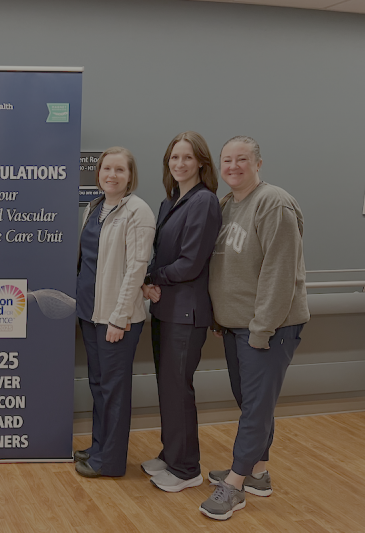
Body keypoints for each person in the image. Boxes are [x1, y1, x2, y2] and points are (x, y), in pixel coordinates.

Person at [199, 136, 309, 520]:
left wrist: (262, 329)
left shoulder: (273, 203)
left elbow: (279, 273)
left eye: (242, 159)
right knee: (251, 403)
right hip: (235, 326)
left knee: (255, 409)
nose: (233, 166)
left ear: (258, 163)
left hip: (268, 328)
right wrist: (220, 317)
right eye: (227, 160)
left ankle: (234, 485)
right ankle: (258, 473)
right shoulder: (226, 205)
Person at [142, 132, 222, 492]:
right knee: (167, 387)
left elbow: (190, 264)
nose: (180, 163)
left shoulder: (204, 201)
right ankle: (171, 454)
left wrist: (152, 277)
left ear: (201, 163)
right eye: (174, 157)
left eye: (187, 157)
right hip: (165, 309)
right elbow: (161, 254)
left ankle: (186, 469)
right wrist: (147, 278)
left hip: (186, 314)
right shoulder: (170, 201)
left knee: (178, 388)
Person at [73, 147, 156, 478]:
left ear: (130, 175)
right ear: (98, 173)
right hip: (89, 313)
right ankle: (99, 447)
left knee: (114, 390)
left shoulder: (138, 211)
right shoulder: (94, 207)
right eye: (107, 168)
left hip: (115, 319)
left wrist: (119, 318)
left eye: (120, 169)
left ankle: (110, 461)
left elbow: (137, 268)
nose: (112, 175)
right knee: (98, 385)